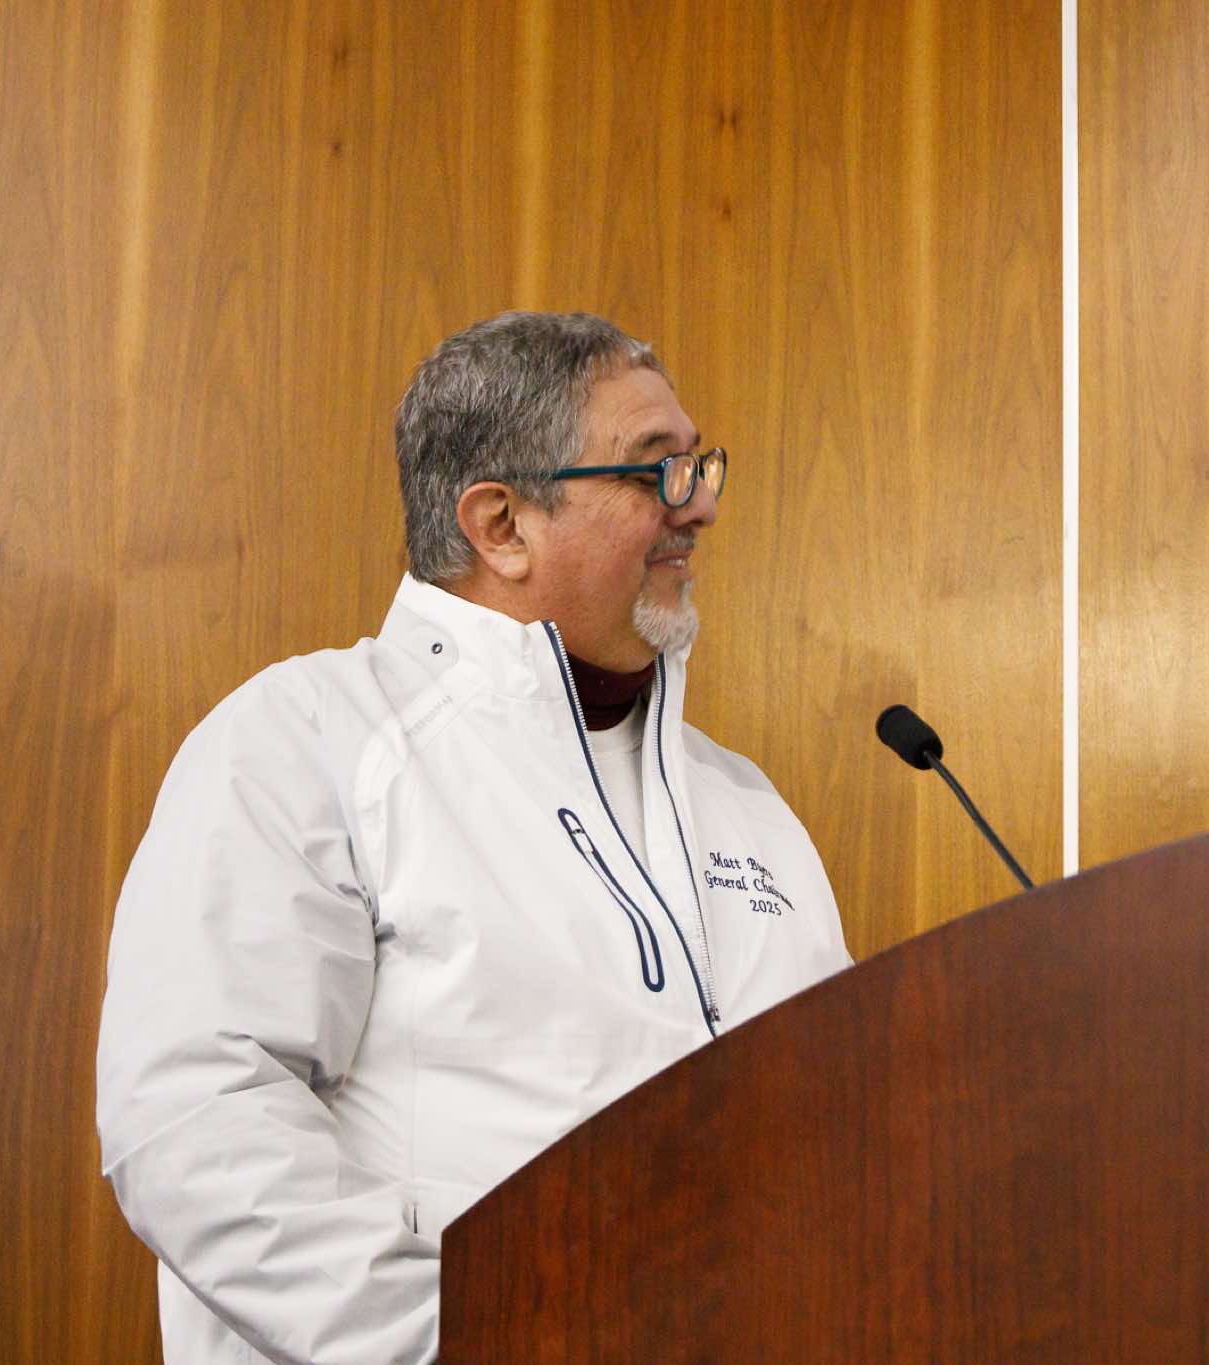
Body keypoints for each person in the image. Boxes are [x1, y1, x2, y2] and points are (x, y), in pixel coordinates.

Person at [96, 311, 853, 1364]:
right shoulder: (305, 740)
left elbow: (841, 1137)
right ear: (501, 525)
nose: (702, 504)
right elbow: (197, 1128)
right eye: (657, 470)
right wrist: (492, 1341)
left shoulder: (744, 803)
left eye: (700, 464)